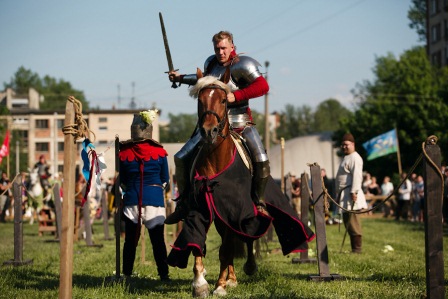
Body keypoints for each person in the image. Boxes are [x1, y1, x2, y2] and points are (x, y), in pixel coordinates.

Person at [166, 30, 270, 224]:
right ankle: (184, 203)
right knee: (180, 157)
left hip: (239, 123)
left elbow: (263, 86)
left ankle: (259, 201)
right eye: (217, 48)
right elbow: (203, 81)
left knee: (261, 159)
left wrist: (237, 96)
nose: (221, 52)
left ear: (232, 46)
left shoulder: (243, 64)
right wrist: (180, 78)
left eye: (224, 48)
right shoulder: (211, 63)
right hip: (213, 124)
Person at [119, 111, 170, 281]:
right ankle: (163, 276)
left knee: (130, 243)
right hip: (155, 202)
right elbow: (165, 180)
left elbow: (123, 181)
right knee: (158, 242)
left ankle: (126, 274)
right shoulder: (160, 152)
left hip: (132, 201)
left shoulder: (123, 153)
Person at [336, 133, 367, 253]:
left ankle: (357, 249)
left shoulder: (355, 157)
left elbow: (357, 176)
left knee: (353, 222)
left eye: (346, 144)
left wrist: (354, 191)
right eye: (342, 145)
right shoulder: (346, 157)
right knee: (348, 222)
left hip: (351, 193)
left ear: (353, 144)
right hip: (345, 194)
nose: (344, 147)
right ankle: (354, 248)